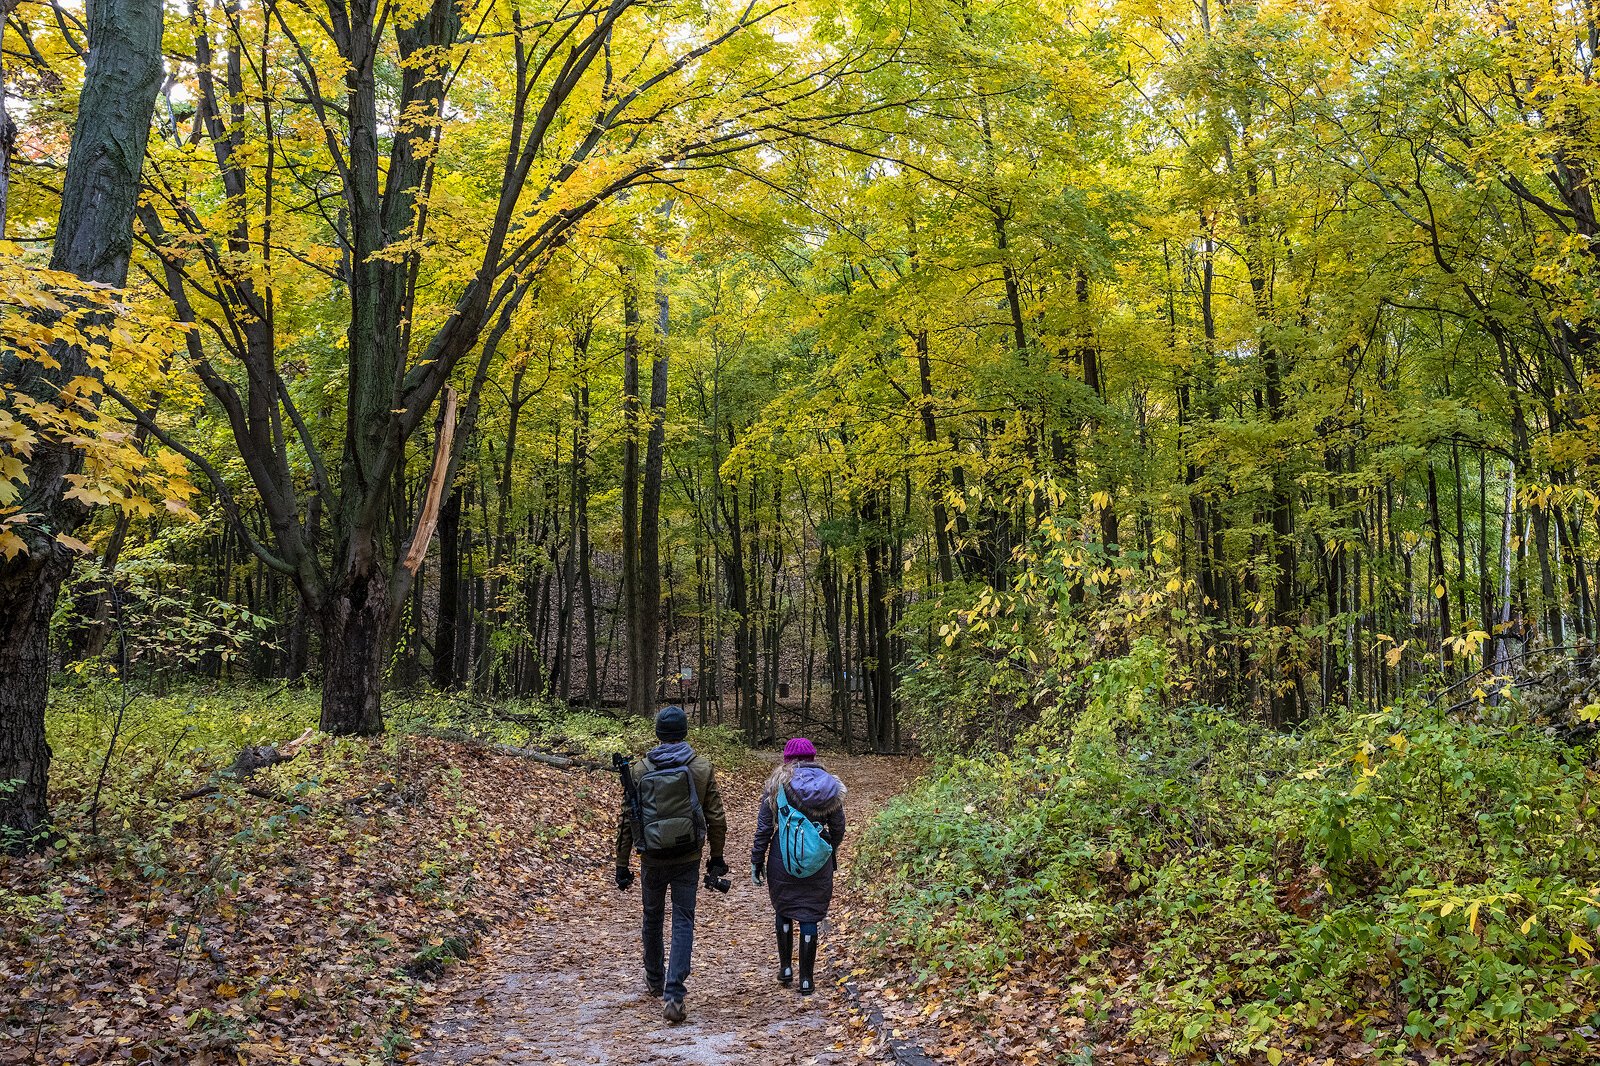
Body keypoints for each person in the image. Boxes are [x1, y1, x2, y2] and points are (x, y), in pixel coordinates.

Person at [615, 706, 729, 1023]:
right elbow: (717, 818)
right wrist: (716, 857)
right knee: (683, 920)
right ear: (684, 732)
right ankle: (675, 994)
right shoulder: (701, 768)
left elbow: (627, 820)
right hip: (687, 857)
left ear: (658, 734)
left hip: (651, 857)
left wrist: (621, 863)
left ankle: (654, 979)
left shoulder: (639, 770)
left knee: (652, 916)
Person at [750, 737, 847, 996]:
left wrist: (757, 860)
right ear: (813, 758)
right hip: (818, 862)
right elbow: (838, 827)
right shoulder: (829, 786)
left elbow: (764, 828)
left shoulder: (777, 784)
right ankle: (806, 980)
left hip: (782, 859)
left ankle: (785, 969)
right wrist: (827, 849)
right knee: (809, 914)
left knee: (784, 908)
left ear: (787, 759)